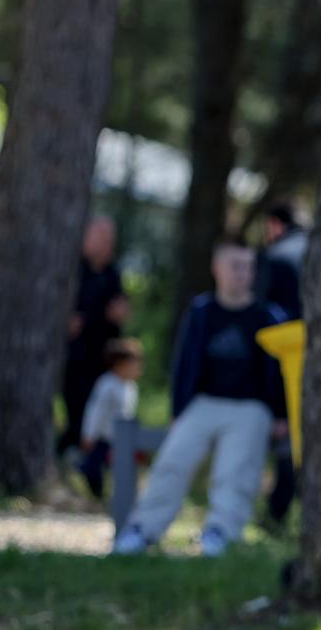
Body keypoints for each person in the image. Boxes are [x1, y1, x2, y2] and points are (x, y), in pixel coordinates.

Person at [113, 243, 288, 557]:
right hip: (204, 403)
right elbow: (183, 363)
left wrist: (280, 414)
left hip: (251, 407)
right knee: (171, 462)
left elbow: (280, 371)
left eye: (247, 267)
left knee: (234, 471)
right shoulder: (201, 312)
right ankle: (142, 530)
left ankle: (220, 533)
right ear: (217, 269)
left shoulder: (267, 315)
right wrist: (178, 410)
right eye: (235, 266)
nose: (242, 274)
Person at [59, 215, 130, 455]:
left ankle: (85, 456)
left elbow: (119, 310)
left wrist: (121, 314)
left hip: (102, 356)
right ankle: (69, 450)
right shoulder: (73, 269)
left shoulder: (113, 273)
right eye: (101, 237)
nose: (106, 243)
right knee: (76, 406)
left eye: (110, 238)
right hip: (75, 355)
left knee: (98, 410)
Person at [257, 202, 308, 524]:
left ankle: (278, 512)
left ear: (275, 225)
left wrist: (273, 403)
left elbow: (265, 328)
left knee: (289, 440)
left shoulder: (277, 258)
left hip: (287, 368)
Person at [78, 338, 143, 498]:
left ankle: (121, 498)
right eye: (133, 363)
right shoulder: (107, 384)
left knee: (124, 471)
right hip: (103, 438)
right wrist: (89, 434)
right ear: (119, 364)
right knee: (93, 470)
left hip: (122, 439)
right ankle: (97, 496)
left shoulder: (131, 388)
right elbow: (96, 411)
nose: (138, 368)